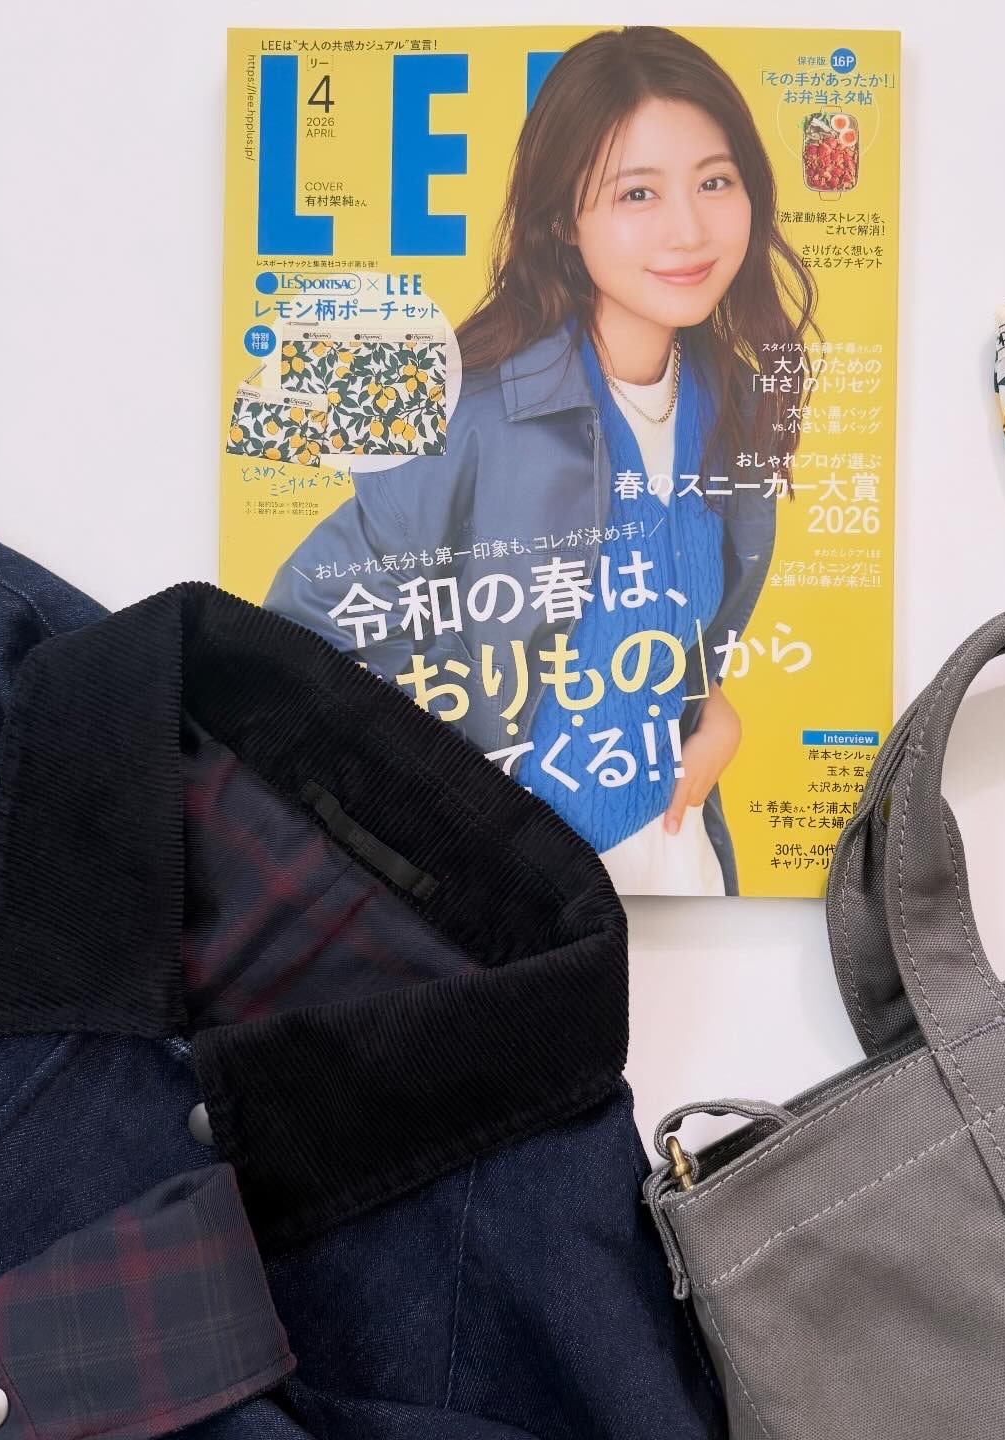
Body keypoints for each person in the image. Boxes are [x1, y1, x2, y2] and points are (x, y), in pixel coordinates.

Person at [267, 25, 816, 895]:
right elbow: (303, 630)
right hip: (511, 896)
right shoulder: (467, 407)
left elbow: (672, 631)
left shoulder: (739, 403)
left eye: (715, 182)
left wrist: (713, 714)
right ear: (564, 217)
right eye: (638, 193)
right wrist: (459, 816)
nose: (689, 229)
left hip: (679, 860)